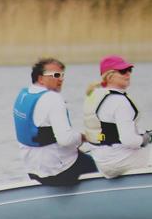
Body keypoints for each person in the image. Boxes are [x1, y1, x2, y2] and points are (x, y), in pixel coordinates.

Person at [13, 57, 97, 186]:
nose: (61, 79)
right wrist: (84, 137)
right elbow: (65, 140)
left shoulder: (24, 95)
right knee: (98, 164)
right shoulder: (53, 99)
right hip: (58, 172)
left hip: (33, 171)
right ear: (41, 78)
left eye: (62, 75)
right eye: (56, 75)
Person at [83, 55, 151, 178]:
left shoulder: (95, 96)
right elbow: (128, 140)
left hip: (102, 161)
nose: (128, 74)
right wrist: (145, 140)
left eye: (129, 70)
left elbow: (111, 129)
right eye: (123, 71)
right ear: (109, 76)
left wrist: (145, 133)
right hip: (119, 160)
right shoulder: (120, 101)